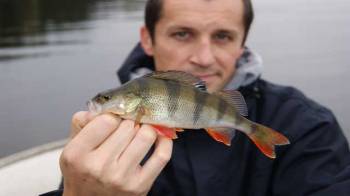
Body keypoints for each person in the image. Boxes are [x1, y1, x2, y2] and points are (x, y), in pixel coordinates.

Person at [41, 0, 350, 195]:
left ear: (242, 45)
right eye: (182, 34)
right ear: (147, 39)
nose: (203, 58)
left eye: (223, 36)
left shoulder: (308, 126)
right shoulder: (106, 135)